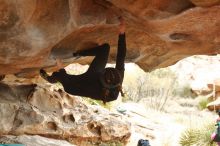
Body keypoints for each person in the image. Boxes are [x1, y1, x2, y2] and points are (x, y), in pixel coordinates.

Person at [40, 17, 126, 103]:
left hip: (74, 86)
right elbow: (121, 56)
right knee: (105, 48)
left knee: (58, 75)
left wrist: (60, 66)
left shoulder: (89, 83)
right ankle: (79, 53)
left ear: (101, 76)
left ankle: (50, 79)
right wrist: (122, 33)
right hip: (96, 77)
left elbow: (65, 78)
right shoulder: (118, 77)